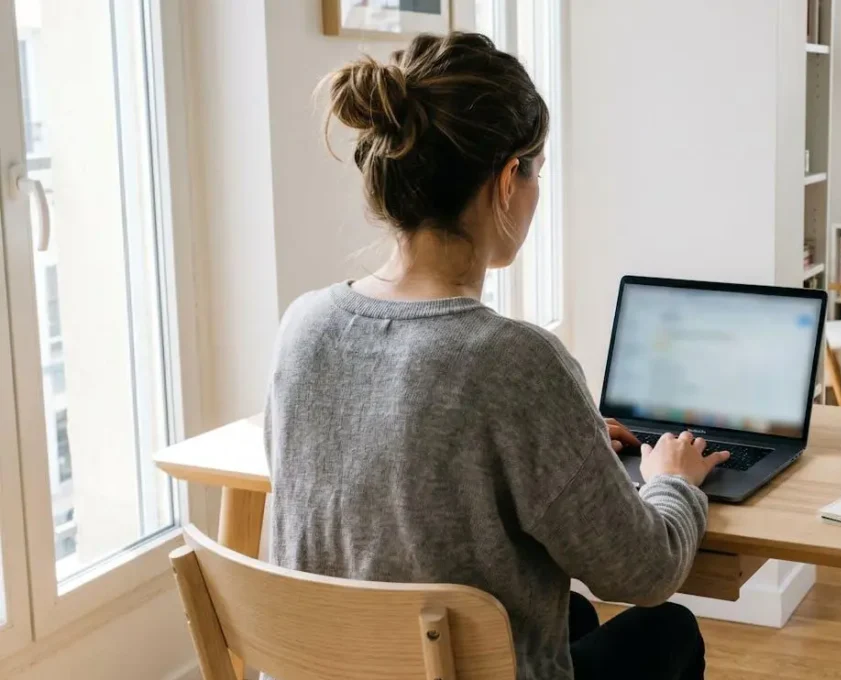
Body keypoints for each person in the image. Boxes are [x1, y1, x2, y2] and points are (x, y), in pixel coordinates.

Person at [264, 32, 726, 680]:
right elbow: (645, 571)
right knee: (667, 629)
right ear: (509, 179)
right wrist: (673, 482)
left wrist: (568, 442)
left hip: (325, 669)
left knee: (571, 618)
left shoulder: (303, 326)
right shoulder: (516, 362)